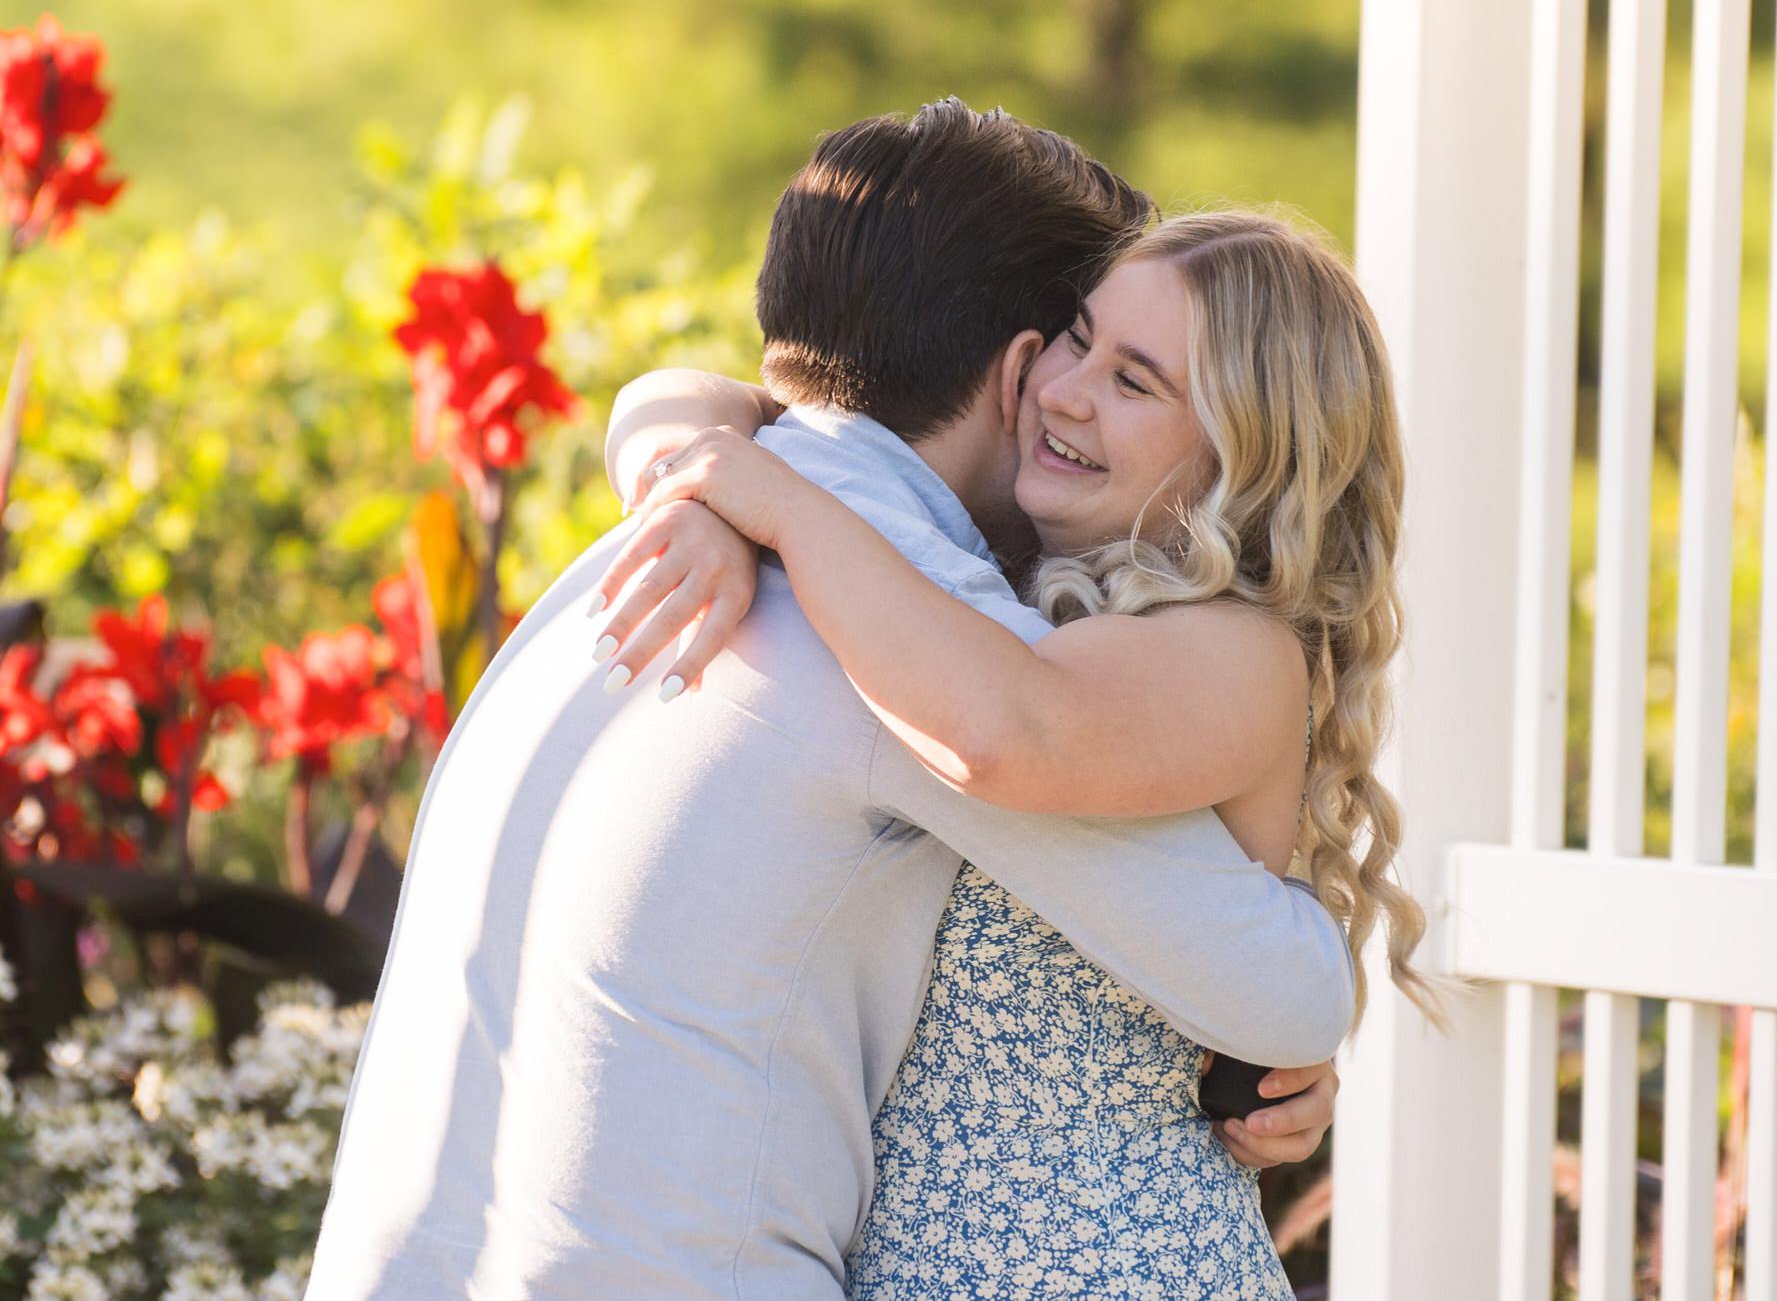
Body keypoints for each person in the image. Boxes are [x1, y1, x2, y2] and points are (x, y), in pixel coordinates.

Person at [306, 102, 1354, 1301]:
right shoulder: (908, 645)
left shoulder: (622, 560)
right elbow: (1282, 983)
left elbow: (693, 400)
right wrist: (1283, 1060)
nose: (1078, 391)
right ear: (1024, 375)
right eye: (1078, 344)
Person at [593, 210, 1443, 1297]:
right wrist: (698, 492)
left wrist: (780, 507)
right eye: (1077, 337)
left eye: (1136, 383)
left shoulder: (1238, 653)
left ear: (1249, 454)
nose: (1065, 389)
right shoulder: (995, 592)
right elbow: (702, 395)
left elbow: (1005, 732)